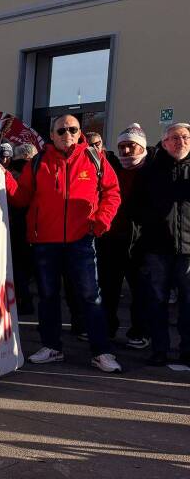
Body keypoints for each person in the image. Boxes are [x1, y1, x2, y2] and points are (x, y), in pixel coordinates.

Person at [5, 114, 122, 372]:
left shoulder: (95, 159)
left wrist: (101, 221)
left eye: (73, 129)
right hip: (46, 241)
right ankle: (52, 347)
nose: (67, 134)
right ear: (52, 134)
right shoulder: (37, 163)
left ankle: (101, 351)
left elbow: (112, 192)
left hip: (82, 240)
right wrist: (3, 177)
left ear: (80, 132)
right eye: (61, 130)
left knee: (91, 296)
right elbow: (21, 198)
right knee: (47, 296)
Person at [131, 121, 190, 366]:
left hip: (188, 249)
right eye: (175, 138)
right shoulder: (150, 171)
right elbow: (135, 206)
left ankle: (187, 350)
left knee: (189, 302)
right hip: (158, 248)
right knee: (157, 301)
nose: (181, 142)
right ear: (164, 143)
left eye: (186, 137)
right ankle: (159, 349)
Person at [99, 123, 152, 348]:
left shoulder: (152, 172)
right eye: (122, 147)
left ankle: (139, 332)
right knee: (108, 289)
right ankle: (107, 329)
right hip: (111, 240)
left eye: (131, 146)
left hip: (141, 243)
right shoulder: (111, 170)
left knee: (141, 292)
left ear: (142, 147)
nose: (126, 151)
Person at [8, 143, 38, 314]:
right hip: (31, 226)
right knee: (25, 268)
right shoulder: (38, 172)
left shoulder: (11, 174)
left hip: (16, 225)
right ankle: (25, 300)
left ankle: (23, 300)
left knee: (19, 267)